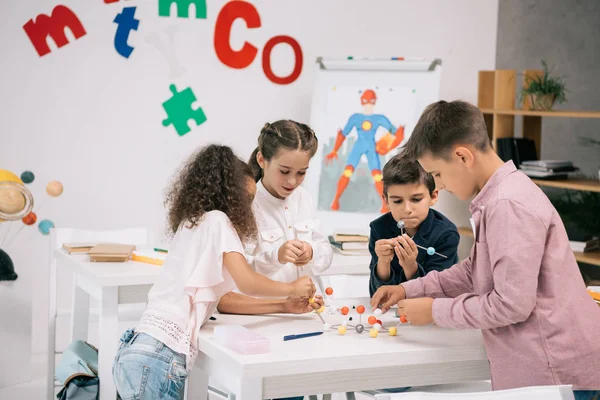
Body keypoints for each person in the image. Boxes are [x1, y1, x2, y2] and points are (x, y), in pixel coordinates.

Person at [371, 100, 600, 398]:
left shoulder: (507, 205)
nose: (441, 185)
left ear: (463, 156)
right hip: (546, 367)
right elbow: (473, 270)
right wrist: (408, 290)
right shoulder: (498, 197)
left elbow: (511, 305)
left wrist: (434, 310)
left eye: (437, 174)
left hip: (555, 371)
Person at [113, 144, 316, 400]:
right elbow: (248, 283)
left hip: (137, 349)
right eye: (247, 200)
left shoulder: (193, 222)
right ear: (231, 196)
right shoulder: (219, 221)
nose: (250, 209)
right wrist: (291, 288)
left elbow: (225, 301)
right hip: (158, 357)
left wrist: (284, 305)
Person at [369, 153, 459, 298]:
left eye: (416, 199)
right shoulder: (379, 229)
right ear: (386, 201)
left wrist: (411, 266)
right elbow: (377, 295)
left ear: (433, 196)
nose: (407, 209)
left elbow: (436, 295)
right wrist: (383, 262)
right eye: (397, 201)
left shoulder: (446, 234)